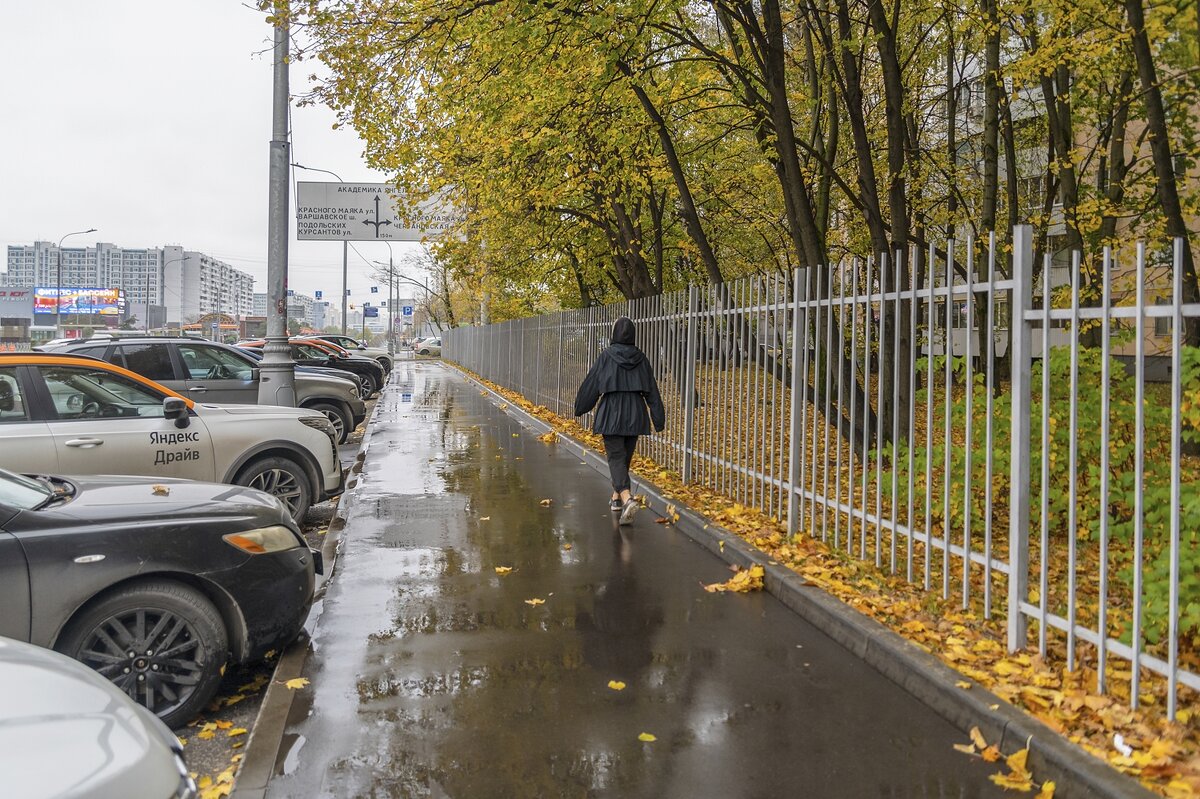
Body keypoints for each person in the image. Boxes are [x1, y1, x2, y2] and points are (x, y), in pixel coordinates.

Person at [574, 317, 666, 525]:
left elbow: (593, 383)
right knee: (624, 457)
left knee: (616, 457)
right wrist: (658, 418)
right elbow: (652, 389)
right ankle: (616, 498)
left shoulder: (606, 356)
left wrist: (581, 407)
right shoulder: (641, 358)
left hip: (612, 411)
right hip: (636, 411)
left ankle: (627, 498)